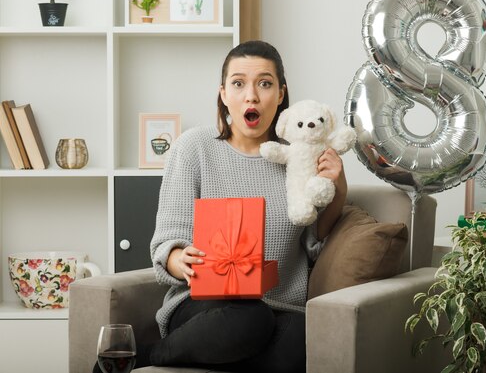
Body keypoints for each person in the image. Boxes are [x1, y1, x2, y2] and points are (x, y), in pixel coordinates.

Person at [95, 40, 347, 373]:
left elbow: (316, 244)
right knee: (251, 319)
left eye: (265, 84)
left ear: (282, 94)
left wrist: (337, 185)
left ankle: (195, 354)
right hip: (205, 305)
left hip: (281, 307)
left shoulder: (301, 157)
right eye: (238, 83)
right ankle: (148, 357)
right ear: (224, 93)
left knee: (301, 340)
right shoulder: (193, 148)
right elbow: (167, 239)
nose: (251, 96)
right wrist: (177, 259)